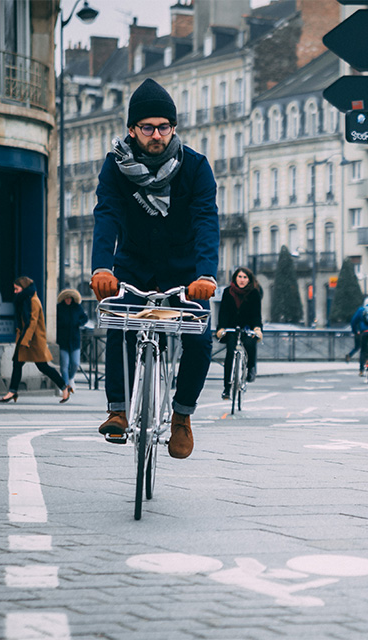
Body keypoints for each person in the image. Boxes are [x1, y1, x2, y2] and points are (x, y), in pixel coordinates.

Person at [89, 78, 219, 458]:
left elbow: (206, 220)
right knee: (118, 324)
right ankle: (118, 410)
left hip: (186, 273)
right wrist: (101, 268)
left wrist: (206, 275)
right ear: (132, 130)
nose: (157, 135)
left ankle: (182, 416)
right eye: (147, 127)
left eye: (164, 126)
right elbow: (107, 214)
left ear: (174, 128)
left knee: (200, 338)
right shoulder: (115, 167)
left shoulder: (195, 167)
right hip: (132, 266)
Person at [0, 277, 71, 403]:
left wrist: (25, 340)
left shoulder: (33, 300)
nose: (15, 291)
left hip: (33, 340)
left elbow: (33, 322)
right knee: (17, 363)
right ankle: (12, 391)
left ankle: (64, 387)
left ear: (24, 288)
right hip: (26, 337)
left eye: (17, 289)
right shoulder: (24, 300)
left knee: (43, 367)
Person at [215, 267, 263, 399]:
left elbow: (256, 314)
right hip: (231, 327)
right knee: (230, 352)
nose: (242, 280)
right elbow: (223, 312)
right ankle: (226, 388)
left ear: (249, 279)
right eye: (240, 277)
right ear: (235, 278)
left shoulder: (254, 293)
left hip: (247, 326)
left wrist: (257, 328)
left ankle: (251, 368)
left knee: (249, 343)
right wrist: (221, 328)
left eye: (245, 277)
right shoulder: (227, 292)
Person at [56, 288, 88, 397]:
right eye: (66, 298)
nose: (68, 300)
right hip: (63, 340)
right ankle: (65, 386)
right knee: (64, 364)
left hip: (74, 339)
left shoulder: (77, 308)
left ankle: (71, 378)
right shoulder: (59, 308)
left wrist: (79, 323)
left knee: (75, 363)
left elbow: (85, 318)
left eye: (70, 298)